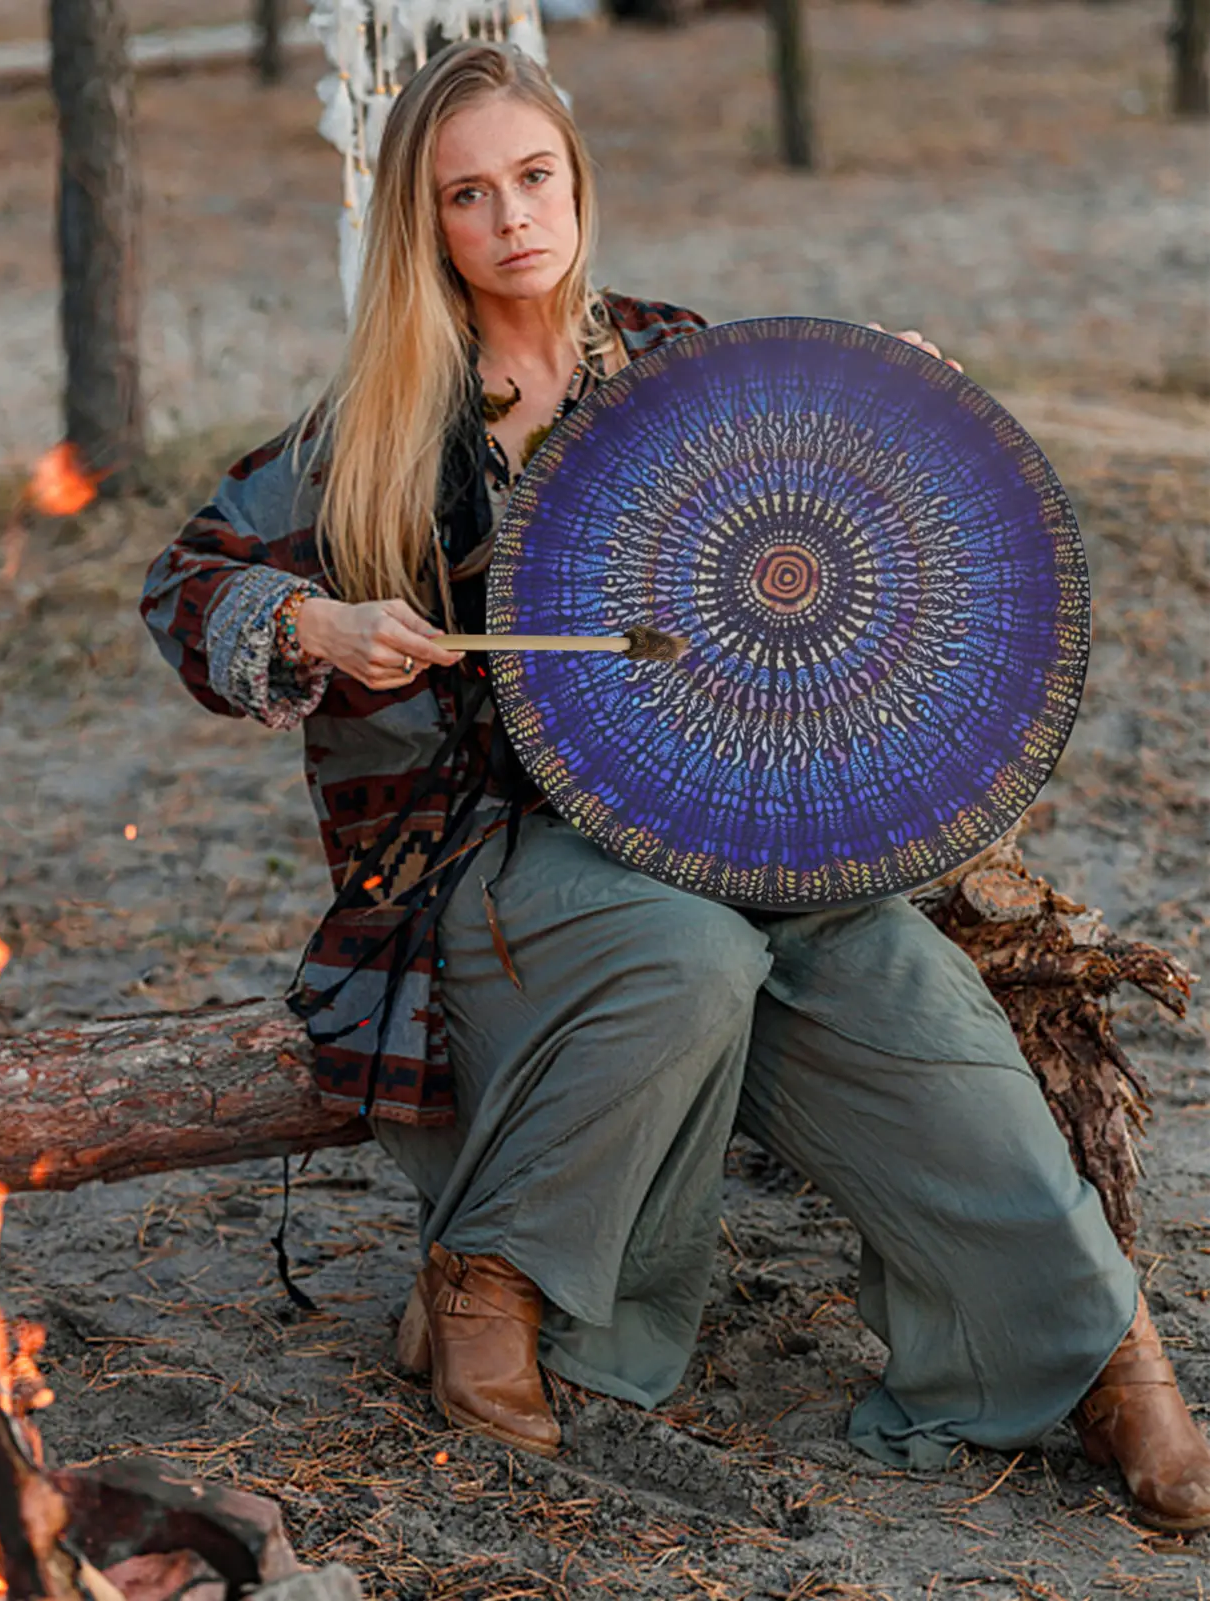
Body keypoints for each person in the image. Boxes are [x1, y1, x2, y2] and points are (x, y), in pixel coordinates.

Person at [142, 40, 1210, 1531]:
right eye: (469, 194)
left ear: (579, 184)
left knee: (905, 984)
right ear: (423, 223)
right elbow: (183, 585)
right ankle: (493, 1276)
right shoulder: (378, 431)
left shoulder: (684, 364)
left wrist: (918, 423)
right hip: (495, 860)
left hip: (737, 826)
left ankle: (1104, 1359)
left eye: (535, 177)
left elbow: (853, 559)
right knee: (687, 949)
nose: (513, 216)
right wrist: (311, 624)